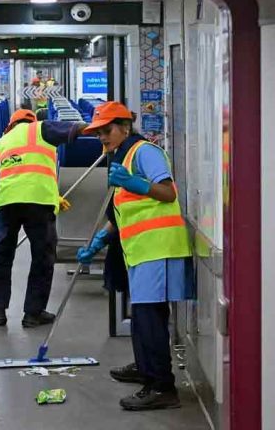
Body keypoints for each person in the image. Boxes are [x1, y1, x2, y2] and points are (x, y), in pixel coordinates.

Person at [76, 101, 194, 411]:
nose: (102, 137)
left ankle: (162, 386)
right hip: (141, 248)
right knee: (141, 316)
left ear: (125, 127)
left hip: (159, 246)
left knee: (149, 317)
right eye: (98, 133)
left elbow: (168, 192)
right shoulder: (122, 156)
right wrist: (99, 241)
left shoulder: (144, 152)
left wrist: (135, 183)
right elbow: (122, 211)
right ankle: (145, 368)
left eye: (107, 131)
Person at [0, 109, 86, 328]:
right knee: (42, 257)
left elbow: (16, 173)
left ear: (11, 125)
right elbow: (77, 129)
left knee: (2, 257)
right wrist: (103, 129)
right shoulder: (42, 128)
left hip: (7, 202)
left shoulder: (1, 142)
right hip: (39, 202)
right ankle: (33, 313)